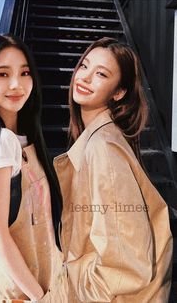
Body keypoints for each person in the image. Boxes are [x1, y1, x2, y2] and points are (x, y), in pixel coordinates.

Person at [54, 37, 173, 302]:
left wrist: (67, 292)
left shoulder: (102, 149)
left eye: (101, 74)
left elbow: (125, 267)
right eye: (84, 66)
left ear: (118, 92)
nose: (84, 78)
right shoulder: (100, 140)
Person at [0, 33, 67, 302]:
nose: (17, 84)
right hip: (15, 293)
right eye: (2, 74)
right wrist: (40, 297)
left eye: (24, 72)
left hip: (32, 286)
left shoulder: (23, 140)